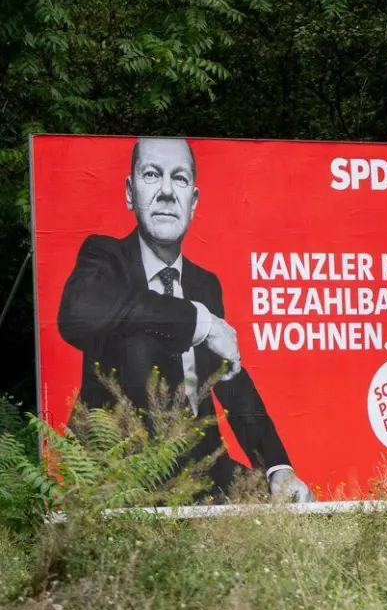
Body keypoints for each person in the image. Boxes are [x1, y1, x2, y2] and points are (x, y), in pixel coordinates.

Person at [57, 136, 314, 504]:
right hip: (118, 476)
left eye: (179, 179)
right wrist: (199, 321)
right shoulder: (104, 257)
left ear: (192, 202)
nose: (165, 191)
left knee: (295, 511)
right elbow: (77, 313)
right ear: (131, 193)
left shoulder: (205, 284)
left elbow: (231, 383)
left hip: (201, 473)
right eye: (151, 175)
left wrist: (278, 468)